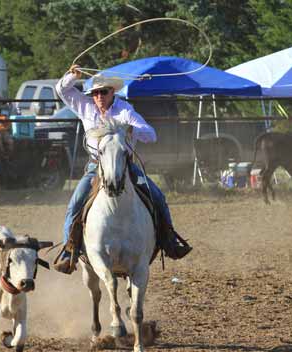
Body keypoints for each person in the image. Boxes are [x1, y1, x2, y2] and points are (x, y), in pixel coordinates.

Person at [52, 65, 192, 273]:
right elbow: (62, 90)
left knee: (157, 196)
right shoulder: (85, 106)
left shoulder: (125, 110)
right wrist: (73, 75)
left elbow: (150, 134)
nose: (98, 96)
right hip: (96, 167)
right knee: (75, 204)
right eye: (95, 93)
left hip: (125, 165)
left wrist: (133, 128)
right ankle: (69, 249)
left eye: (103, 92)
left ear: (112, 92)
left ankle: (169, 240)